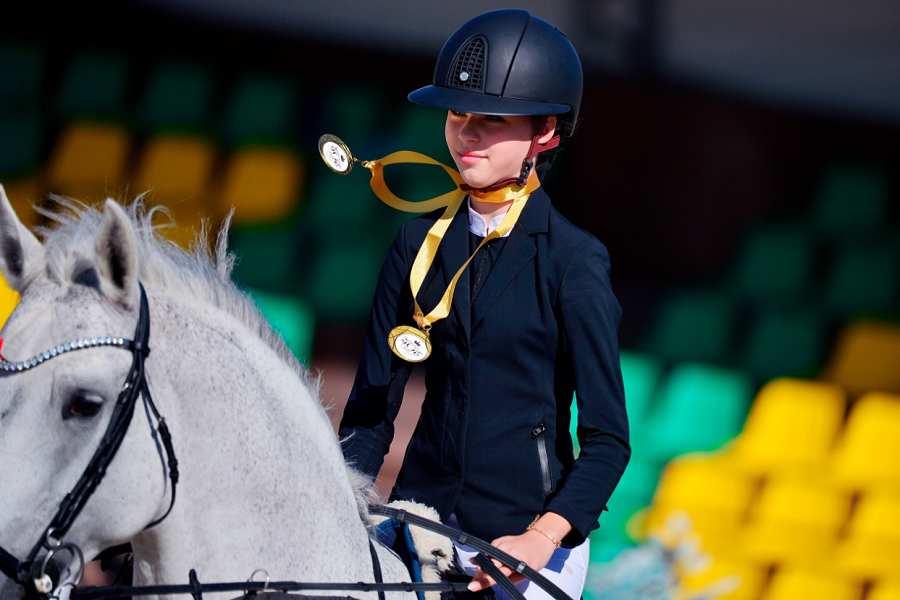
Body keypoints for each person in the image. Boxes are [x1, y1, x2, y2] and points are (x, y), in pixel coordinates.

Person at [339, 9, 630, 600]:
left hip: (526, 545)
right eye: (457, 114)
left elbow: (608, 441)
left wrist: (541, 538)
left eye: (491, 119)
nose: (466, 133)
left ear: (545, 132)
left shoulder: (575, 261)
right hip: (420, 531)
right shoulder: (413, 244)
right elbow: (372, 413)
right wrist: (340, 499)